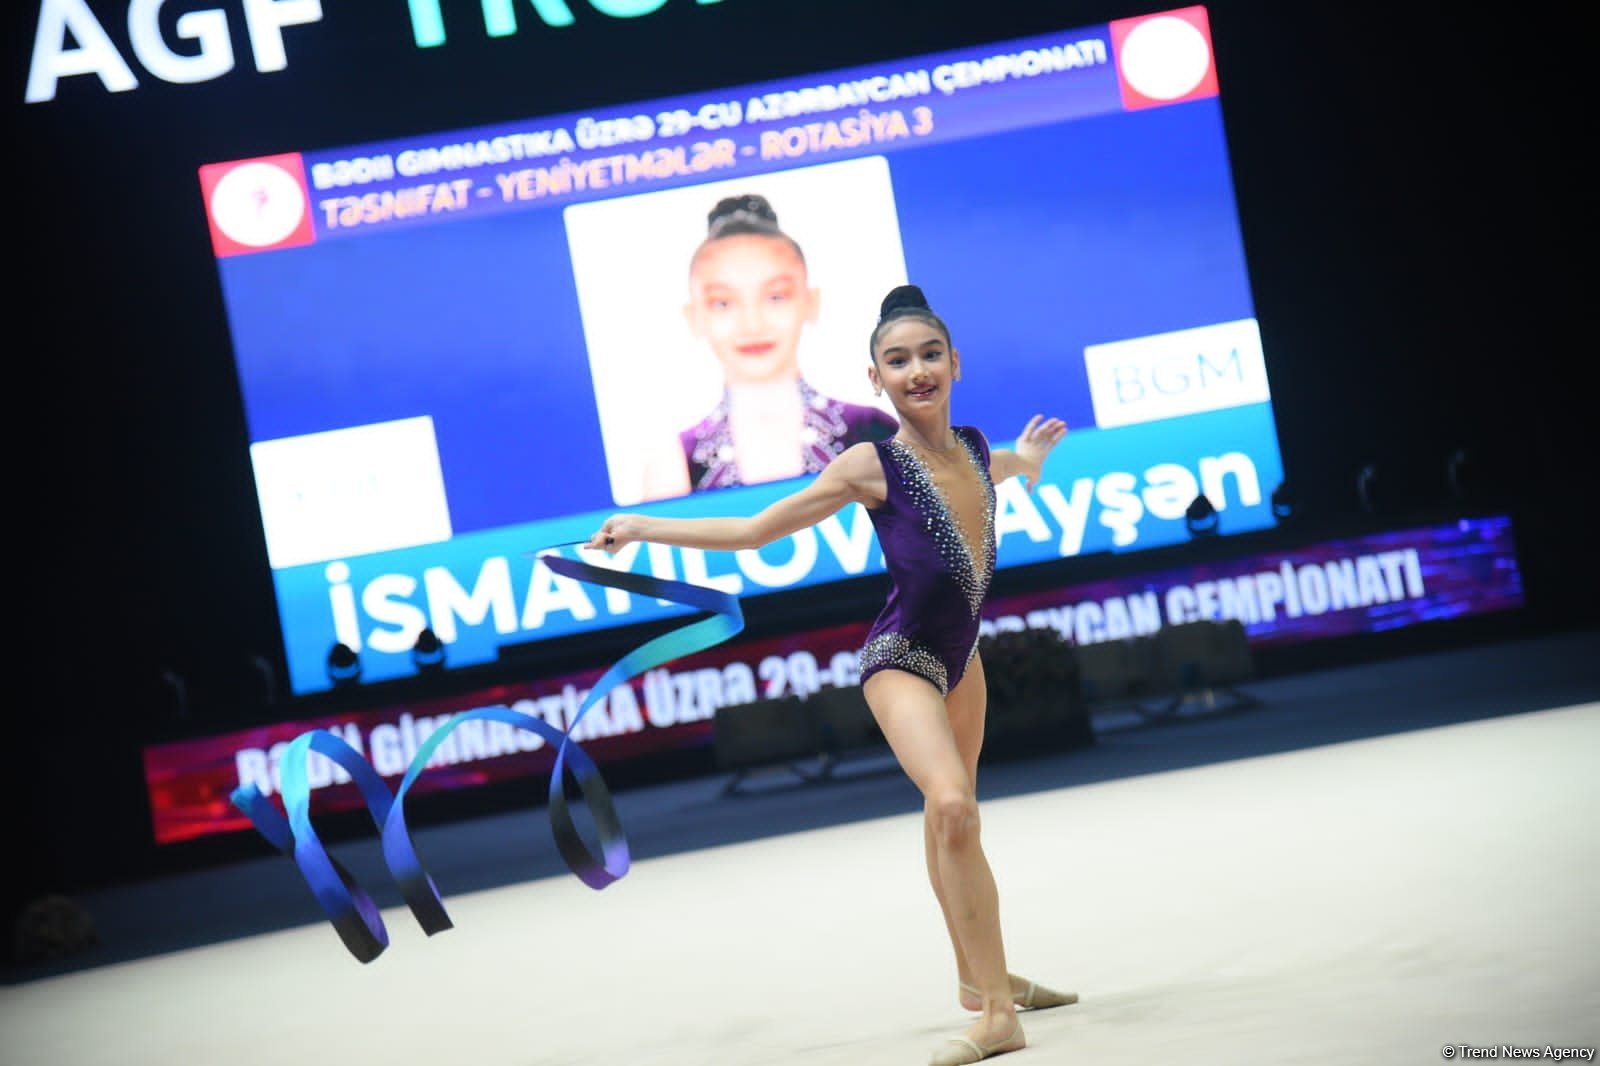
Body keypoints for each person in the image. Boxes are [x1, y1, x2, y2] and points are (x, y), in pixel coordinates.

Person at [590, 284, 1075, 1064]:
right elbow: (753, 528)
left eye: (928, 355)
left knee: (948, 814)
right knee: (954, 806)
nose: (916, 370)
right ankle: (996, 1013)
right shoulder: (870, 463)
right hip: (902, 659)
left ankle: (977, 978)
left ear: (955, 363)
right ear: (874, 380)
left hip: (964, 658)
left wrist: (1031, 460)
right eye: (896, 361)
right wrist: (645, 524)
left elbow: (1007, 464)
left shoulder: (979, 449)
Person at [637, 193, 899, 501]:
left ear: (810, 303)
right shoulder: (675, 464)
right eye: (723, 303)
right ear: (694, 317)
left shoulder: (873, 432)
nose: (752, 324)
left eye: (775, 297)